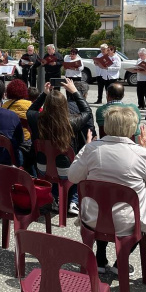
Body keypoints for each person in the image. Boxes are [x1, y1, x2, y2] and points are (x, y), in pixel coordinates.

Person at [69, 107, 146, 274]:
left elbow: (73, 176)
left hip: (93, 217)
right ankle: (121, 260)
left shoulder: (91, 149)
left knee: (103, 202)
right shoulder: (140, 153)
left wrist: (84, 149)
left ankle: (100, 257)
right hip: (126, 222)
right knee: (141, 204)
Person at [28, 79, 93, 215]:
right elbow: (87, 111)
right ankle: (73, 200)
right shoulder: (71, 122)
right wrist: (74, 91)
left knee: (59, 168)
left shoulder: (38, 119)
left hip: (43, 167)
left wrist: (44, 95)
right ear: (64, 106)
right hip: (66, 170)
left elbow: (31, 110)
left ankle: (55, 197)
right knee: (79, 165)